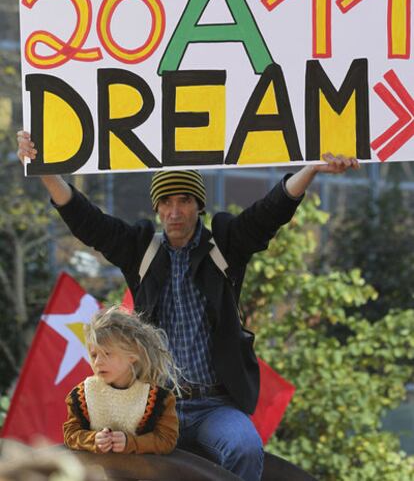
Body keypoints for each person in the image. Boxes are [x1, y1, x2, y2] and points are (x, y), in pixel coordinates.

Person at [17, 130, 359, 481]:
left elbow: (269, 212)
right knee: (104, 456)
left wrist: (312, 170)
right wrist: (44, 168)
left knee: (244, 447)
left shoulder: (226, 245)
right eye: (166, 202)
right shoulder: (140, 250)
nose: (175, 211)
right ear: (157, 207)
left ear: (199, 205)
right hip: (151, 404)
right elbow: (86, 220)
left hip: (216, 406)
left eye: (184, 201)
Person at [63, 305, 179, 455]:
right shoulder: (80, 396)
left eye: (107, 353)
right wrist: (93, 440)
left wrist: (131, 443)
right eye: (93, 355)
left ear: (132, 355)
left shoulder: (160, 399)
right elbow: (70, 434)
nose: (97, 362)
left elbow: (167, 439)